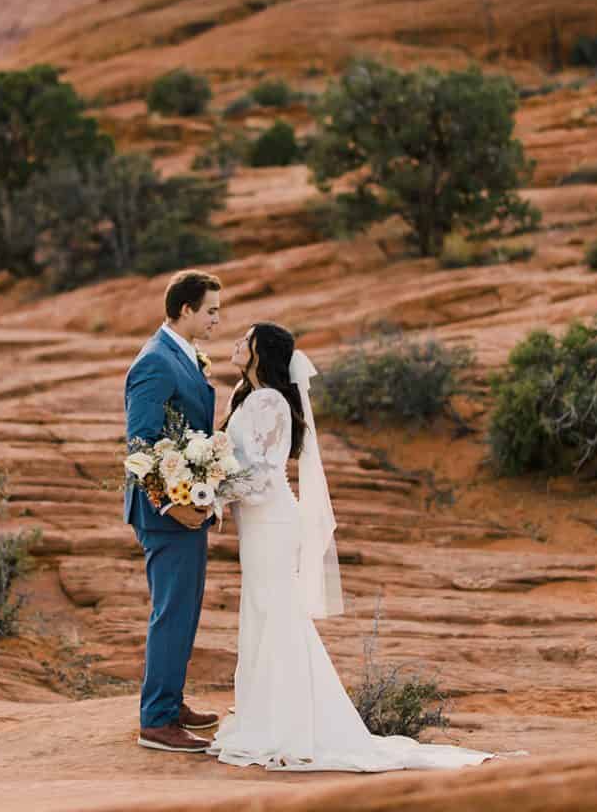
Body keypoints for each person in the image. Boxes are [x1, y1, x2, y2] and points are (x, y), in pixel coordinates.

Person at [206, 322, 495, 772]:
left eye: (247, 339)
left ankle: (289, 725)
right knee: (261, 610)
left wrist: (213, 490)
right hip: (257, 521)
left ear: (263, 352)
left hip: (272, 518)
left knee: (276, 611)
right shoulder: (247, 394)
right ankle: (265, 715)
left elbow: (262, 475)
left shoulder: (270, 402)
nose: (238, 343)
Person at [123, 269, 224, 753]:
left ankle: (170, 700)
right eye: (211, 311)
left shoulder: (181, 354)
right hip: (166, 514)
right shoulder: (156, 361)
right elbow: (140, 443)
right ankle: (157, 720)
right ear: (185, 309)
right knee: (172, 612)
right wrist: (170, 506)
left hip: (190, 506)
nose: (216, 321)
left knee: (185, 612)